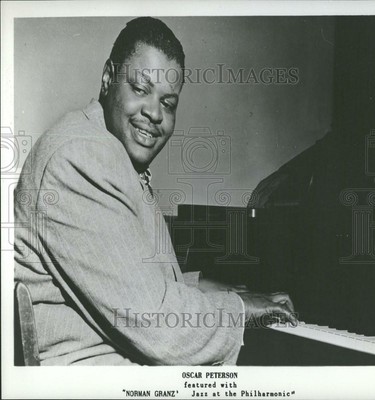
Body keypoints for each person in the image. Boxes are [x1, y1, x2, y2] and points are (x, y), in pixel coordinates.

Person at [14, 17, 296, 366]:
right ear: (108, 78)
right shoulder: (82, 157)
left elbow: (128, 281)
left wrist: (211, 290)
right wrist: (239, 308)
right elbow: (158, 326)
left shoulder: (104, 150)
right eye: (140, 89)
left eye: (168, 103)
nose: (154, 113)